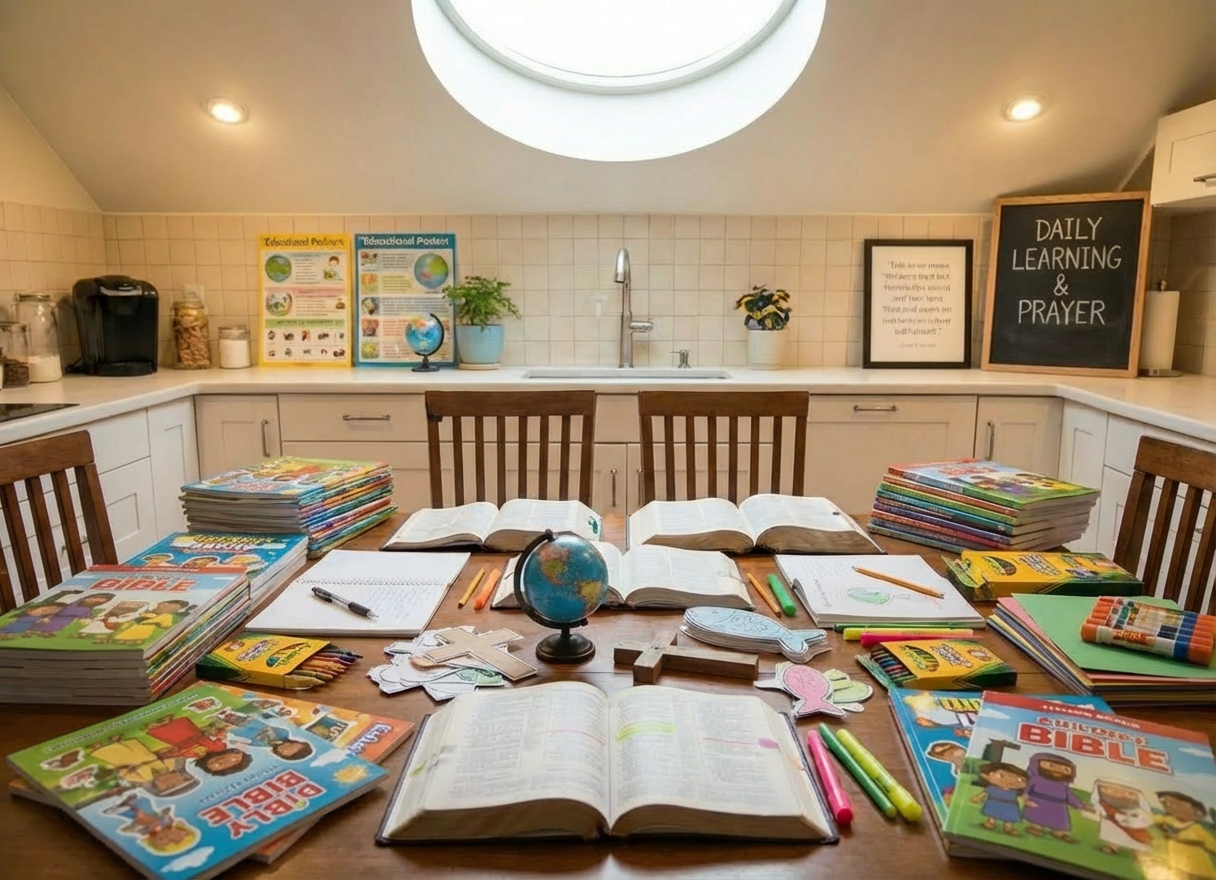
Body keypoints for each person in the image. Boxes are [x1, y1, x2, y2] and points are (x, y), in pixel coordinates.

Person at [1023, 753, 1091, 842]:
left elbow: (1070, 797)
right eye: (1051, 765)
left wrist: (1082, 806)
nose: (1058, 770)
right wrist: (1025, 799)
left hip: (1058, 807)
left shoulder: (1063, 785)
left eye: (1065, 769)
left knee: (1059, 822)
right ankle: (1035, 828)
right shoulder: (1035, 779)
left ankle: (1059, 833)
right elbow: (1025, 789)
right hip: (1039, 802)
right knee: (1037, 819)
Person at [1155, 791, 1216, 879]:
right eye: (1167, 803)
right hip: (1176, 867)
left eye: (1179, 804)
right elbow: (1152, 818)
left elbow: (1212, 845)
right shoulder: (1168, 821)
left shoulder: (1197, 830)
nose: (1172, 806)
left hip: (1198, 872)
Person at [1089, 779, 1153, 857]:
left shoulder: (1138, 811)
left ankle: (1139, 852)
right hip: (1111, 822)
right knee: (1113, 835)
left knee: (1136, 840)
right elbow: (1097, 808)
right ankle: (1112, 846)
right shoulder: (1105, 805)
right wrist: (1109, 813)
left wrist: (1127, 819)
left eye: (1130, 793)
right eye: (1107, 789)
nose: (1118, 794)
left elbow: (1145, 819)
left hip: (1132, 825)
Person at [970, 761, 1028, 836]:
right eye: (1000, 775)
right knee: (992, 815)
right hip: (994, 803)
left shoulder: (1015, 791)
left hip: (1010, 807)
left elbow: (1024, 797)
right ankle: (991, 823)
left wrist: (1027, 801)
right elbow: (984, 793)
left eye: (1019, 779)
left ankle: (1008, 828)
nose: (1009, 780)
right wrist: (977, 798)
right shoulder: (992, 788)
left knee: (1009, 819)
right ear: (986, 775)